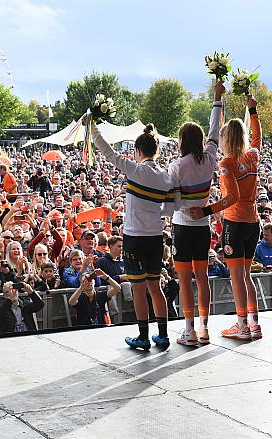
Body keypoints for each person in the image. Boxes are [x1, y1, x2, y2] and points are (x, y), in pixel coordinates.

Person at [90, 118, 175, 350]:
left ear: (137, 151)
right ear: (156, 151)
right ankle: (164, 335)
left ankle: (143, 336)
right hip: (155, 236)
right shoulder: (167, 177)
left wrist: (93, 127)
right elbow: (169, 210)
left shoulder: (134, 169)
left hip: (134, 237)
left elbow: (107, 151)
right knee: (155, 287)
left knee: (139, 288)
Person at [190, 94, 262, 340]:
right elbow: (257, 139)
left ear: (225, 139)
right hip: (253, 222)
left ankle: (241, 325)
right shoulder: (252, 156)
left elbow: (231, 197)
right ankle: (254, 323)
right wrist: (253, 112)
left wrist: (206, 211)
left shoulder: (227, 163)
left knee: (236, 277)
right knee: (247, 275)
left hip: (235, 222)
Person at [167, 80, 224, 345]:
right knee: (202, 278)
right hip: (203, 227)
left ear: (182, 141)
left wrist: (185, 207)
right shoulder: (210, 157)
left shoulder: (177, 165)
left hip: (182, 227)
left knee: (184, 277)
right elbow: (215, 129)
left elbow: (172, 199)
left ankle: (188, 330)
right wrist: (217, 98)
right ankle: (204, 329)